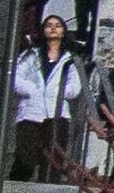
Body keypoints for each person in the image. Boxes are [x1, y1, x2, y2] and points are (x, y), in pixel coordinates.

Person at [9, 10, 85, 183]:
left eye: (57, 26)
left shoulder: (70, 59)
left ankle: (48, 185)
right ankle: (16, 184)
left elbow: (75, 84)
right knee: (25, 153)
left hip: (57, 111)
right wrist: (31, 90)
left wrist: (60, 92)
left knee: (53, 156)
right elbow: (16, 76)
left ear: (64, 31)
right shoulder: (31, 54)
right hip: (31, 111)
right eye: (49, 25)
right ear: (43, 30)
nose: (53, 29)